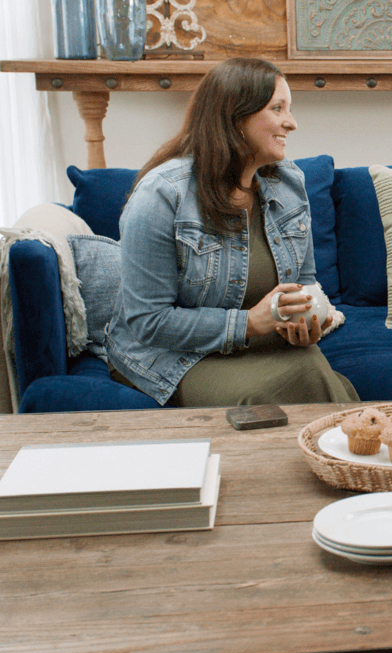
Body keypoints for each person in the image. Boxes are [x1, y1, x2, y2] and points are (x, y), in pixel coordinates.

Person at [105, 57, 358, 407]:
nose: (292, 122)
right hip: (175, 355)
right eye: (278, 108)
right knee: (272, 396)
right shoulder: (162, 195)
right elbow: (148, 321)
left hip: (260, 344)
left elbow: (304, 283)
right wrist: (249, 324)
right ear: (236, 118)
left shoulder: (289, 184)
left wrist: (304, 323)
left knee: (315, 373)